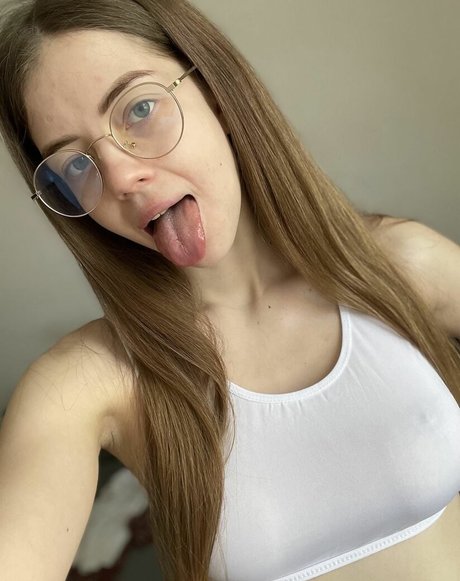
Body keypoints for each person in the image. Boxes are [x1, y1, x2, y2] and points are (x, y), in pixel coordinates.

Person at [0, 0, 459, 580]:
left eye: (139, 108)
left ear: (216, 93)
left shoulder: (400, 264)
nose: (119, 177)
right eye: (74, 165)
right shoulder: (87, 382)